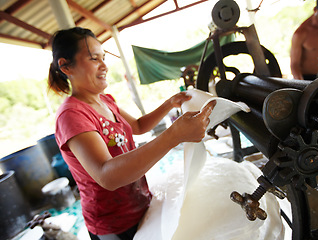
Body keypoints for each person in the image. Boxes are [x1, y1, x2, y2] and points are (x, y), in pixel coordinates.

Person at [48, 27, 215, 240]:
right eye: (93, 59)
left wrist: (169, 104)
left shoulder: (105, 100)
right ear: (65, 66)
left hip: (138, 204)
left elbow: (137, 126)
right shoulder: (72, 115)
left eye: (103, 58)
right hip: (113, 224)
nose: (104, 66)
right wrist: (174, 135)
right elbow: (106, 175)